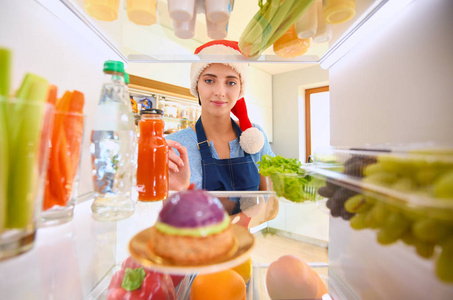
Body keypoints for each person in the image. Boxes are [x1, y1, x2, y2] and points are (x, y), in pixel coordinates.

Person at [166, 40, 275, 192]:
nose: (220, 92)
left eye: (231, 83)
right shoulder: (174, 146)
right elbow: (162, 211)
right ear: (197, 85)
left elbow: (273, 203)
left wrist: (246, 217)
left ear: (240, 90)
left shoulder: (255, 136)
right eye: (209, 80)